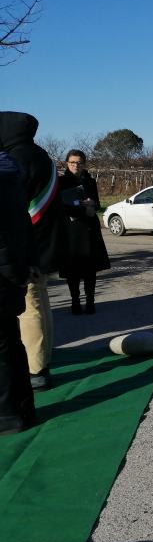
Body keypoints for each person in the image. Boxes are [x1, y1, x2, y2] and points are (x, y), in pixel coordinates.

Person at [0, 111, 66, 392]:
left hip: (29, 245)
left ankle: (35, 368)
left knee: (30, 307)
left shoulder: (17, 158)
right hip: (46, 241)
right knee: (41, 301)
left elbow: (16, 208)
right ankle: (44, 356)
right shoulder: (41, 155)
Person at [0, 149, 37, 435]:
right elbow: (24, 229)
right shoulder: (14, 180)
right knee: (11, 345)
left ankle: (8, 414)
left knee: (4, 350)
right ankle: (23, 407)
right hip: (11, 280)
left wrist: (15, 272)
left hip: (5, 278)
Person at [58, 149, 111, 313]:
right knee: (72, 271)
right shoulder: (60, 182)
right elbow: (59, 207)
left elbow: (98, 203)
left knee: (90, 269)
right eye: (72, 162)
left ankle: (90, 302)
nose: (76, 165)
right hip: (71, 230)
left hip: (89, 230)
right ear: (67, 163)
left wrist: (92, 205)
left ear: (84, 164)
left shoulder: (90, 181)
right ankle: (75, 301)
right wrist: (82, 210)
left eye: (79, 162)